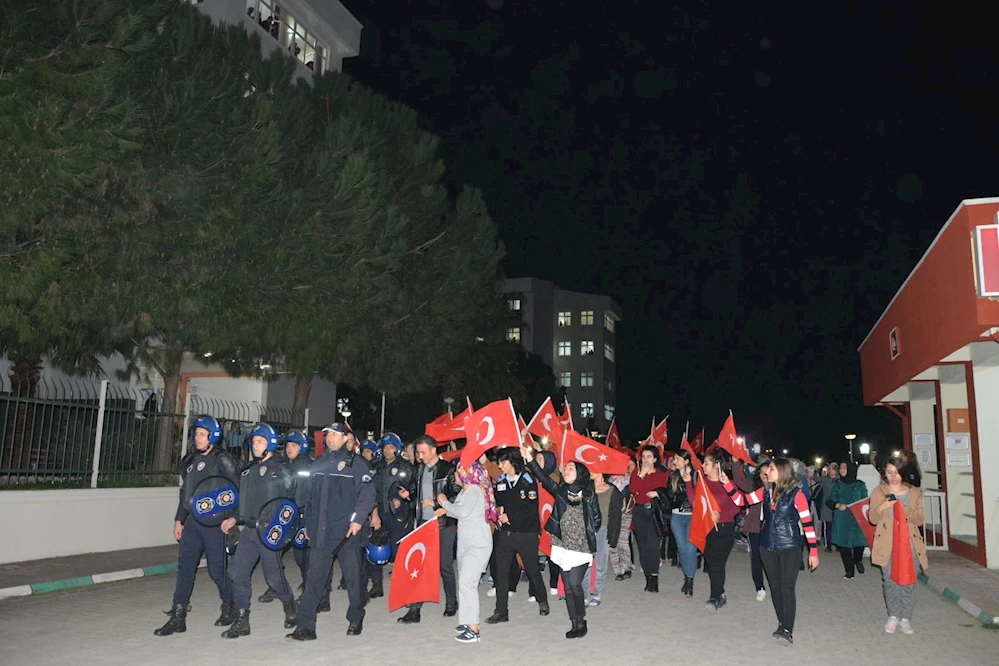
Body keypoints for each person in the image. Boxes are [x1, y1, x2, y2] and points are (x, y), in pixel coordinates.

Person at [287, 423, 375, 640]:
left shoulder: (356, 463)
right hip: (321, 530)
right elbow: (310, 497)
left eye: (335, 435)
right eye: (328, 435)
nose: (330, 438)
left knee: (353, 578)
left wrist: (357, 521)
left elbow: (368, 494)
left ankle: (356, 617)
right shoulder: (319, 462)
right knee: (314, 577)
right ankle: (305, 626)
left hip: (346, 533)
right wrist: (308, 523)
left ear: (346, 438)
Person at [154, 415, 239, 636]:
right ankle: (178, 616)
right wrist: (179, 519)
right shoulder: (189, 460)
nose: (197, 438)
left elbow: (237, 490)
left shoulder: (223, 459)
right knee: (185, 569)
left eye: (202, 434)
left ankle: (230, 602)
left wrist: (233, 517)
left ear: (213, 436)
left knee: (216, 570)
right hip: (192, 523)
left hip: (215, 524)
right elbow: (186, 493)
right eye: (196, 433)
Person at [723, 458, 820, 645]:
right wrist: (727, 484)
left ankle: (787, 630)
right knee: (775, 587)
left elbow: (808, 524)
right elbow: (741, 501)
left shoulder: (796, 494)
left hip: (790, 546)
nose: (767, 473)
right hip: (767, 545)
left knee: (787, 588)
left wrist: (813, 552)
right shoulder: (765, 492)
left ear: (782, 471)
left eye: (772, 469)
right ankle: (781, 623)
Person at [220, 423, 297, 638]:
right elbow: (241, 500)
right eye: (253, 441)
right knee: (237, 574)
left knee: (273, 578)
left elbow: (290, 502)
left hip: (270, 532)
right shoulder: (248, 469)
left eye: (260, 441)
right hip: (249, 531)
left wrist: (280, 531)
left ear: (270, 443)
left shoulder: (282, 467)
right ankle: (242, 621)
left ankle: (290, 604)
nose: (255, 445)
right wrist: (234, 518)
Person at [522, 444, 600, 639]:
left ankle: (581, 620)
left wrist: (581, 532)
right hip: (562, 545)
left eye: (571, 468)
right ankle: (575, 623)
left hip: (581, 546)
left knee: (574, 584)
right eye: (565, 469)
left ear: (580, 473)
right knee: (567, 584)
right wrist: (530, 460)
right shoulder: (561, 491)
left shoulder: (589, 496)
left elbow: (596, 522)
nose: (566, 471)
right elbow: (543, 478)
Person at [396, 435, 461, 623]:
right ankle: (415, 610)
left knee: (444, 566)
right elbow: (417, 492)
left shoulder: (448, 469)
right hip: (422, 524)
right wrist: (409, 495)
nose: (420, 456)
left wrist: (436, 504)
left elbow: (456, 495)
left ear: (434, 450)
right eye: (418, 452)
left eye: (423, 452)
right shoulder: (419, 469)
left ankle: (451, 602)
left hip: (443, 525)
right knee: (419, 566)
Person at [485, 447, 551, 623]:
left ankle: (542, 600)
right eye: (498, 462)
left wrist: (510, 516)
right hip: (505, 533)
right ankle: (501, 611)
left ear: (513, 462)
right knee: (502, 572)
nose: (500, 466)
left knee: (532, 569)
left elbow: (530, 509)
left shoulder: (527, 480)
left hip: (526, 533)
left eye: (503, 462)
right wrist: (497, 511)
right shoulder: (500, 481)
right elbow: (499, 502)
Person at [436, 461, 496, 643]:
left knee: (466, 583)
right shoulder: (466, 491)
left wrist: (445, 503)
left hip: (477, 544)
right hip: (467, 543)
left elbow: (461, 512)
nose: (455, 474)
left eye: (458, 471)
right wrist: (445, 510)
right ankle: (466, 621)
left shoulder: (474, 490)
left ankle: (474, 629)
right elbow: (462, 513)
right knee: (465, 583)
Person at [868, 456, 929, 635]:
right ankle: (893, 615)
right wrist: (882, 507)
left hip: (910, 544)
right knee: (890, 581)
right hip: (888, 544)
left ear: (903, 473)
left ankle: (906, 618)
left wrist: (906, 510)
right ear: (884, 474)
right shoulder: (878, 492)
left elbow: (920, 519)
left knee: (909, 581)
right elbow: (872, 518)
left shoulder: (914, 492)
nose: (893, 476)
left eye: (897, 472)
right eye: (889, 472)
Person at [259, 429, 313, 604]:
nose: (290, 448)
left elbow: (313, 493)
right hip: (282, 516)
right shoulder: (280, 464)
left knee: (301, 555)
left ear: (302, 447)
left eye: (294, 445)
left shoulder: (308, 466)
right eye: (288, 445)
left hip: (301, 515)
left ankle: (309, 587)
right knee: (274, 552)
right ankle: (275, 586)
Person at [685, 450, 740, 610]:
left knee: (717, 564)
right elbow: (695, 502)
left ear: (717, 465)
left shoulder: (727, 483)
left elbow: (737, 506)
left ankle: (715, 597)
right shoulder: (702, 482)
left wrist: (721, 514)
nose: (703, 466)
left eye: (706, 463)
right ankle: (720, 593)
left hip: (724, 528)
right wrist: (689, 482)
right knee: (711, 563)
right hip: (707, 528)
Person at [367, 432, 415, 598]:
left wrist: (403, 500)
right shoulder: (374, 467)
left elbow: (414, 491)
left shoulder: (406, 467)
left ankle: (403, 588)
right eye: (385, 447)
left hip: (399, 516)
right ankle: (377, 585)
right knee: (375, 551)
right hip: (378, 514)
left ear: (397, 448)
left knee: (400, 553)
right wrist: (373, 514)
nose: (388, 450)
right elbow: (369, 492)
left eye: (391, 447)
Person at [628, 446, 669, 592]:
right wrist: (641, 475)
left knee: (653, 546)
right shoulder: (637, 472)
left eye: (649, 456)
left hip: (654, 512)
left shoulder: (662, 474)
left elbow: (668, 491)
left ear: (655, 459)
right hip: (639, 512)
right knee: (643, 547)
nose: (646, 459)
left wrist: (658, 493)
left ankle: (654, 577)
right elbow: (633, 490)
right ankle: (647, 577)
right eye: (643, 456)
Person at [826, 462, 869, 579]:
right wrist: (837, 505)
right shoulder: (837, 484)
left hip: (857, 517)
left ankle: (858, 560)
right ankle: (849, 571)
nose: (842, 470)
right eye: (841, 468)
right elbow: (829, 500)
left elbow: (866, 500)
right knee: (844, 545)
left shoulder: (860, 485)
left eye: (844, 467)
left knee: (859, 542)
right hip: (842, 518)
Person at [731, 458, 766, 601]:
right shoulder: (753, 487)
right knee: (756, 559)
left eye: (768, 472)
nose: (765, 475)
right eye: (762, 473)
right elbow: (739, 481)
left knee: (770, 560)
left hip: (772, 530)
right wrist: (735, 463)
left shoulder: (779, 489)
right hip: (755, 528)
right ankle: (760, 587)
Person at [664, 450, 698, 597]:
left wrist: (688, 481)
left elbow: (696, 498)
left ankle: (690, 579)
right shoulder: (672, 476)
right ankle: (687, 577)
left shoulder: (696, 476)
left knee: (690, 548)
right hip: (677, 516)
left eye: (677, 459)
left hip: (692, 517)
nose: (674, 461)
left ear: (686, 461)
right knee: (682, 548)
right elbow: (671, 497)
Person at [589, 472, 623, 607]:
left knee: (600, 562)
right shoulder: (586, 487)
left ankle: (597, 593)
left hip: (603, 529)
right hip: (587, 528)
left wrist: (613, 537)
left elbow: (616, 517)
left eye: (593, 469)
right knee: (585, 563)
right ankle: (586, 593)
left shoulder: (613, 491)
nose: (590, 471)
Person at [609, 461, 635, 581]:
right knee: (613, 543)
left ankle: (627, 566)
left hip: (626, 513)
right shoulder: (609, 480)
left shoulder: (631, 479)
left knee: (623, 541)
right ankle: (618, 570)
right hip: (612, 514)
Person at [816, 461, 838, 552]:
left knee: (837, 526)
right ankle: (828, 545)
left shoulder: (839, 480)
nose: (829, 471)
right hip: (826, 506)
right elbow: (815, 478)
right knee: (827, 526)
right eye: (828, 469)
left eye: (831, 469)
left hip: (837, 506)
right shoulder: (825, 479)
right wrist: (816, 469)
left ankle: (838, 545)